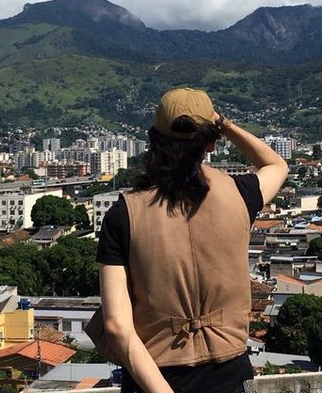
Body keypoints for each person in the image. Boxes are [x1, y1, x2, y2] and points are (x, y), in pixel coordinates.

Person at [94, 87, 288, 393]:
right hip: (230, 376)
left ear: (153, 140)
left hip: (154, 378)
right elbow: (276, 165)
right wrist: (224, 124)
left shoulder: (124, 214)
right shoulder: (240, 194)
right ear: (211, 144)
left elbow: (117, 327)